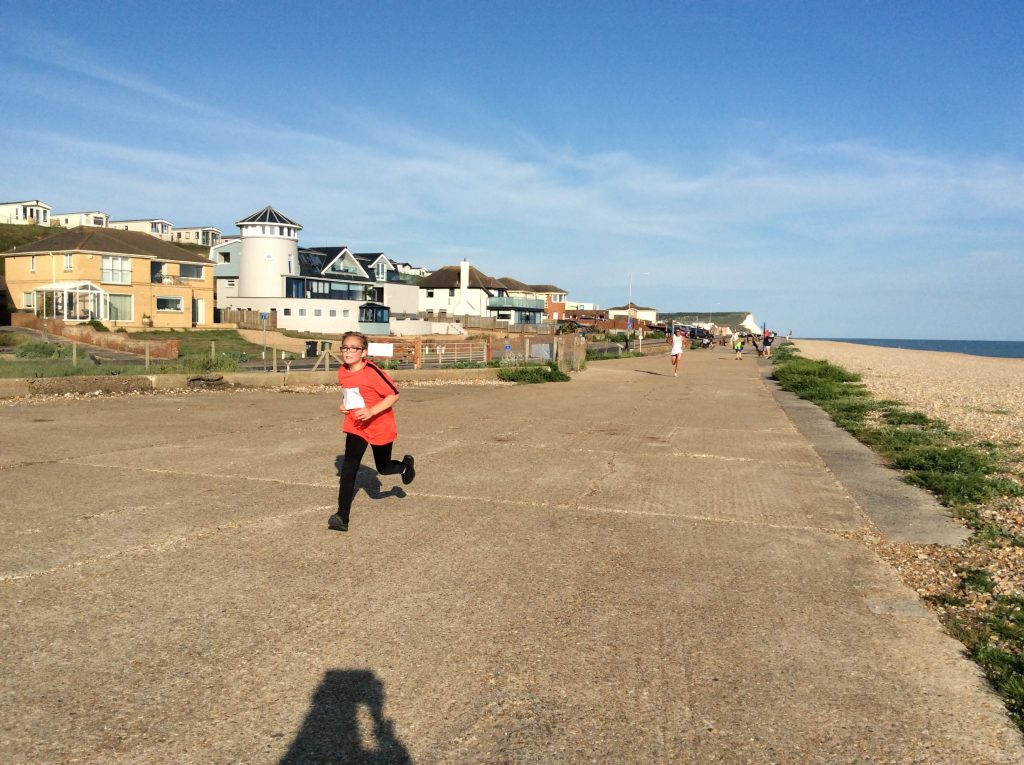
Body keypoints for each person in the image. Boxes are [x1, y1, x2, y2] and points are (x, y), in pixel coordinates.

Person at [329, 331, 415, 533]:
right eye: (345, 347)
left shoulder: (372, 372)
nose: (348, 351)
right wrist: (343, 405)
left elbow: (393, 394)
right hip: (356, 425)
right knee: (349, 468)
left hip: (379, 425)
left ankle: (405, 467)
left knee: (383, 467)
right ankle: (342, 516)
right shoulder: (342, 371)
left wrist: (371, 411)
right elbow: (351, 394)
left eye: (354, 348)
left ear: (364, 352)